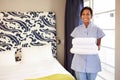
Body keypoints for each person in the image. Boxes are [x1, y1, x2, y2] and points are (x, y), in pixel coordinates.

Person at [70, 6, 105, 80]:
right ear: (81, 16)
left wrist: (93, 47)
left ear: (91, 16)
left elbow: (98, 47)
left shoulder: (97, 29)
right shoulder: (76, 30)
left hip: (93, 62)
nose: (85, 16)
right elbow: (75, 45)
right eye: (83, 14)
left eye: (88, 14)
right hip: (79, 62)